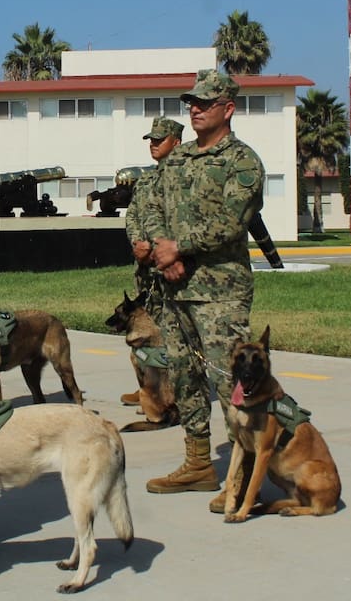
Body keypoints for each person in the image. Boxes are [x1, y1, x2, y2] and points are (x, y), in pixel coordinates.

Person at [145, 69, 265, 509]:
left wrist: (181, 248)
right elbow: (154, 206)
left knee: (230, 381)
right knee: (184, 376)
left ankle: (246, 470)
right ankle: (198, 462)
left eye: (204, 103)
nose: (194, 109)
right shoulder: (176, 160)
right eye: (191, 103)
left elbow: (232, 221)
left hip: (220, 291)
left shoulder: (243, 162)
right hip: (174, 290)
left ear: (227, 109)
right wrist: (163, 249)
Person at [120, 115, 183, 406]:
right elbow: (133, 215)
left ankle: (173, 390)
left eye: (160, 140)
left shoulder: (185, 178)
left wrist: (159, 248)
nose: (154, 145)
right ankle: (147, 386)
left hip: (171, 269)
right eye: (151, 140)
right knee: (143, 331)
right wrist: (137, 243)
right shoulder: (146, 180)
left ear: (177, 142)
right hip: (146, 271)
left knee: (172, 333)